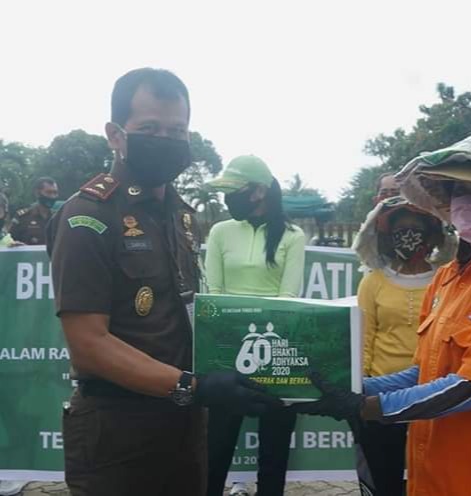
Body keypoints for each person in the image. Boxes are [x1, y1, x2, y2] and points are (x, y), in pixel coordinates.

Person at [293, 126, 471, 496]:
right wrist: (351, 388)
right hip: (433, 476)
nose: (468, 199)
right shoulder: (447, 276)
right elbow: (425, 372)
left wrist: (367, 406)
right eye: (460, 189)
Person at [46, 68, 279, 496]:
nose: (166, 140)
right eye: (149, 128)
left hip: (184, 422)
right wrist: (194, 385)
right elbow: (89, 344)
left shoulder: (181, 213)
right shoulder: (88, 217)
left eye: (177, 130)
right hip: (117, 429)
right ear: (116, 135)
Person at [204, 155, 306, 496]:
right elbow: (213, 293)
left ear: (259, 191)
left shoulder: (293, 235)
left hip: (277, 352)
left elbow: (287, 297)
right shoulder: (220, 231)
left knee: (274, 453)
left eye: (234, 190)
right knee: (215, 449)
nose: (226, 198)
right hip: (224, 356)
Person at [351, 196, 455, 496]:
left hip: (433, 395)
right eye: (401, 229)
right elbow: (365, 339)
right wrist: (362, 388)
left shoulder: (448, 280)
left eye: (415, 228)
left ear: (431, 235)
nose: (408, 235)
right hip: (381, 398)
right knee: (384, 477)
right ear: (387, 235)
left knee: (434, 479)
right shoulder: (373, 283)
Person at [10, 177, 58, 245]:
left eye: (55, 192)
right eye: (48, 192)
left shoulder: (58, 217)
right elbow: (10, 241)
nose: (52, 196)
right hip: (29, 255)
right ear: (37, 193)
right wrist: (15, 244)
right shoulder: (22, 217)